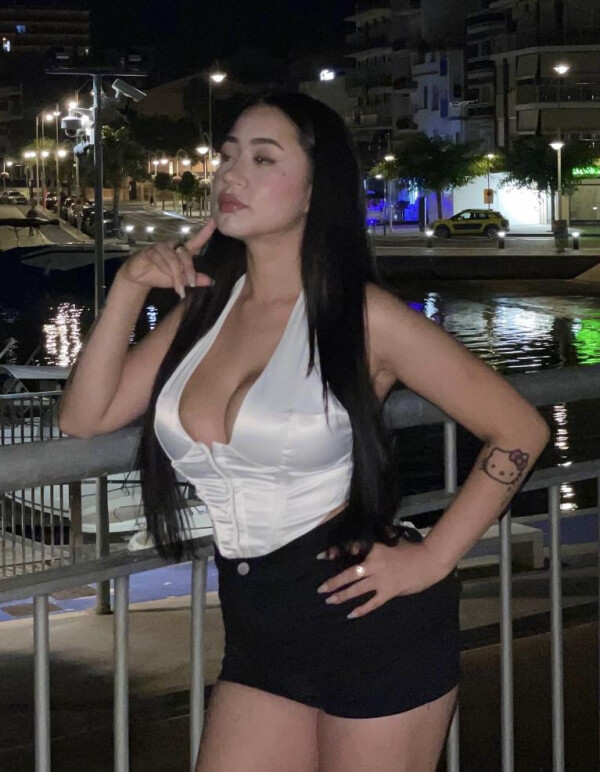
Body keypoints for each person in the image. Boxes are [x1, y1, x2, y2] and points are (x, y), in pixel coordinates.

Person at [58, 92, 550, 772]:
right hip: (256, 624)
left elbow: (518, 428)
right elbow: (84, 418)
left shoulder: (363, 316)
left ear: (318, 191)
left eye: (264, 159)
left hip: (369, 618)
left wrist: (434, 558)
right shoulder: (205, 309)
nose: (232, 175)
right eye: (228, 156)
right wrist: (129, 287)